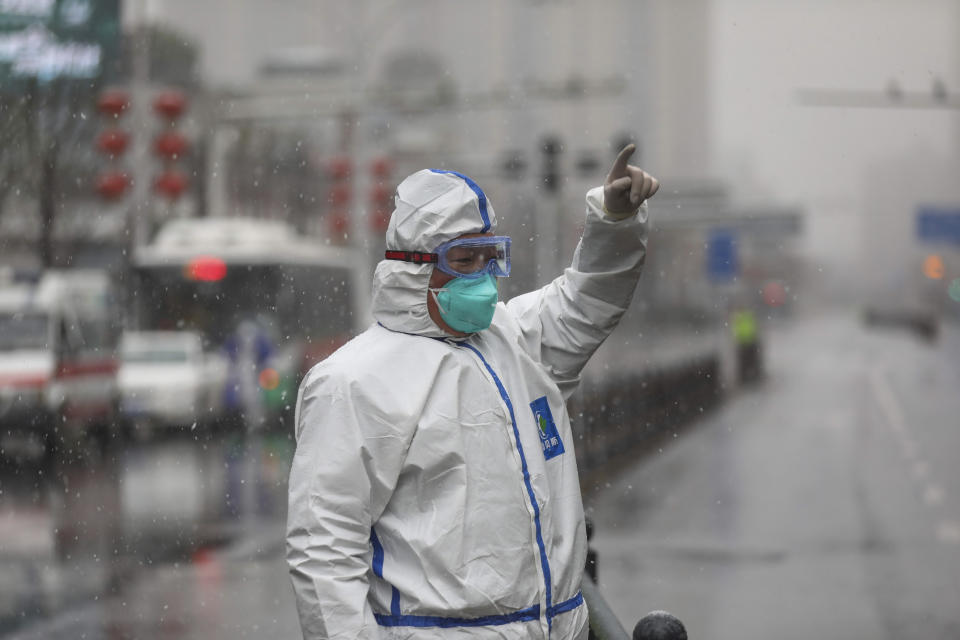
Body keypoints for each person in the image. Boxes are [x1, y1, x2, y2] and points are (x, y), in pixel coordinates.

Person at [286, 144, 659, 640]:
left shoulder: (513, 341)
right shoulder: (352, 383)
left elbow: (588, 298)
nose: (481, 276)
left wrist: (615, 221)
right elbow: (324, 551)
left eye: (490, 257)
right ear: (412, 265)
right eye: (463, 259)